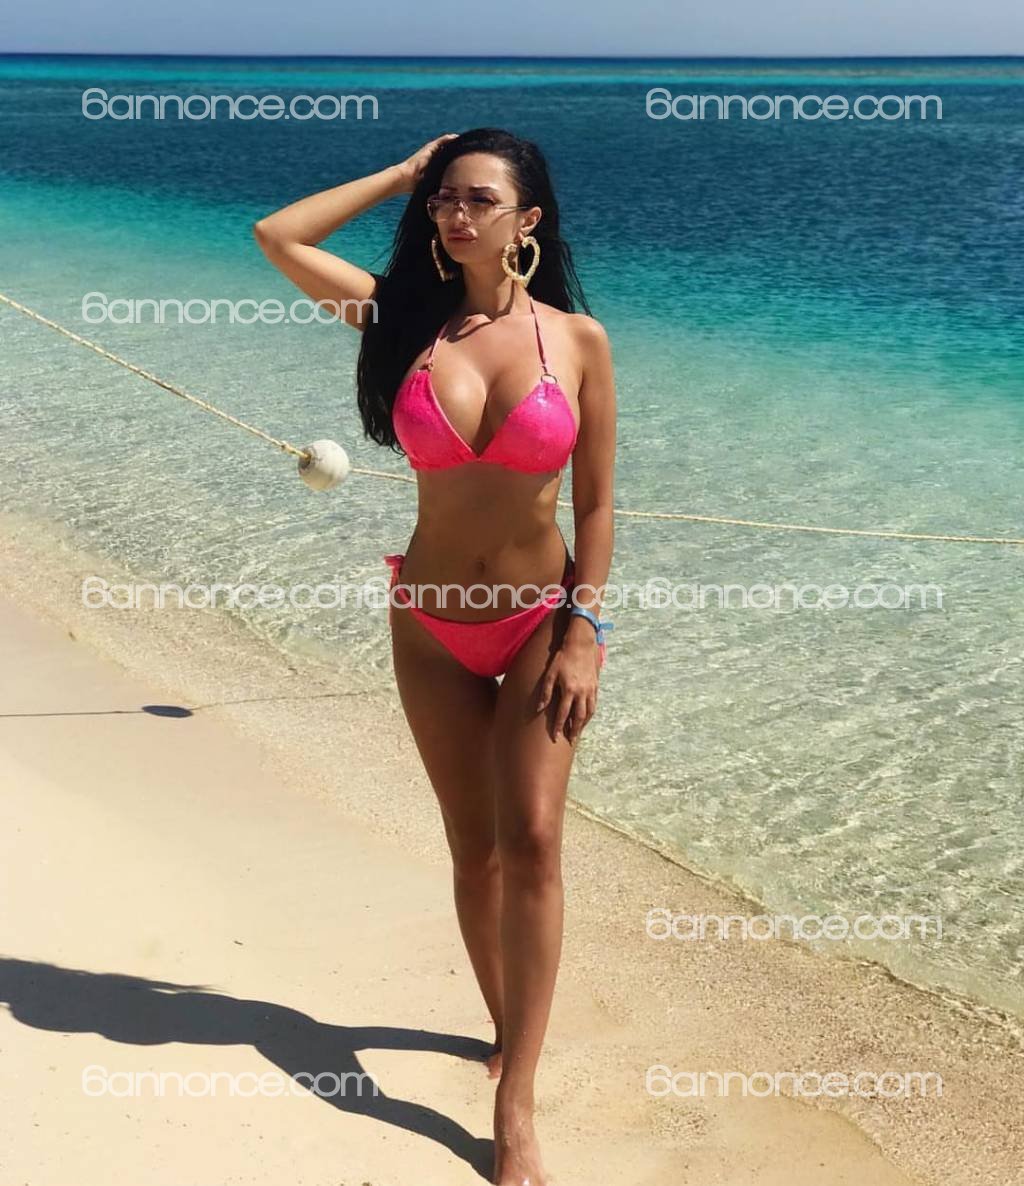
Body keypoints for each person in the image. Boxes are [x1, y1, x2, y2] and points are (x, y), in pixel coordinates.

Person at [254, 127, 617, 1186]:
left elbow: (596, 503)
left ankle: (515, 1103)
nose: (454, 215)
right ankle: (505, 1024)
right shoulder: (402, 320)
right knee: (477, 851)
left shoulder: (578, 341)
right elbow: (278, 235)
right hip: (430, 622)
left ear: (527, 222)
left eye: (477, 200)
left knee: (534, 838)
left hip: (540, 617)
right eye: (444, 200)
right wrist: (400, 174)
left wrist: (586, 631)